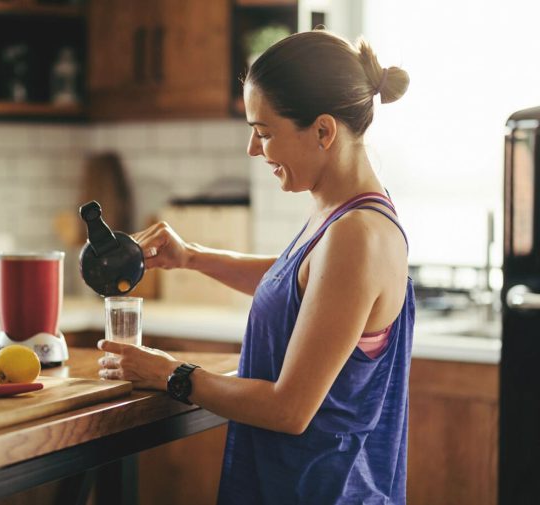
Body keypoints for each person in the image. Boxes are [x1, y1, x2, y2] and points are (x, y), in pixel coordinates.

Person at [97, 28, 412, 504]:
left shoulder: (357, 235)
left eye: (264, 133)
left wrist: (171, 374)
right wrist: (192, 257)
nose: (253, 149)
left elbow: (290, 410)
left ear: (324, 131)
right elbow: (302, 285)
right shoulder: (342, 216)